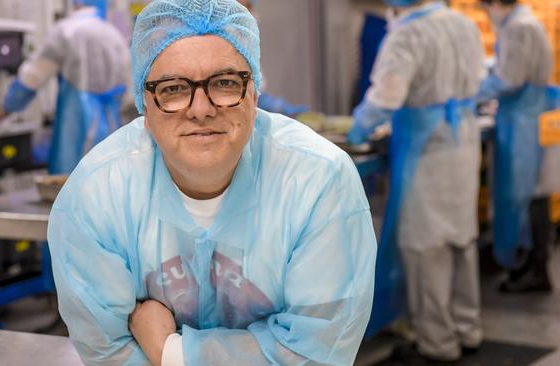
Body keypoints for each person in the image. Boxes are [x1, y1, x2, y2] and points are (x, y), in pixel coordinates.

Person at [47, 0, 377, 365]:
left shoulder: (318, 182)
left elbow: (315, 353)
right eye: (173, 88)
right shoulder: (96, 194)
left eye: (224, 83)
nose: (201, 109)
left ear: (254, 93)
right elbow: (108, 351)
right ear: (144, 101)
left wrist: (169, 352)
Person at [348, 0, 485, 363]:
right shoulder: (461, 23)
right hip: (463, 142)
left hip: (426, 149)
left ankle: (437, 343)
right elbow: (480, 81)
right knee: (461, 238)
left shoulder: (406, 35)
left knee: (425, 246)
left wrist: (357, 127)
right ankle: (467, 328)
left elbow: (385, 98)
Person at [477, 0, 557, 293]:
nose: (487, 14)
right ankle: (531, 265)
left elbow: (509, 79)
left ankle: (535, 268)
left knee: (528, 195)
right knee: (532, 194)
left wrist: (468, 93)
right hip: (527, 116)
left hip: (525, 119)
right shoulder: (522, 23)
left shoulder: (519, 28)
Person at [0, 0, 129, 174]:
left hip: (77, 123)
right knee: (109, 181)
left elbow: (34, 76)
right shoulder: (113, 34)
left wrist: (9, 106)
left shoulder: (66, 31)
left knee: (71, 183)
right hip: (112, 125)